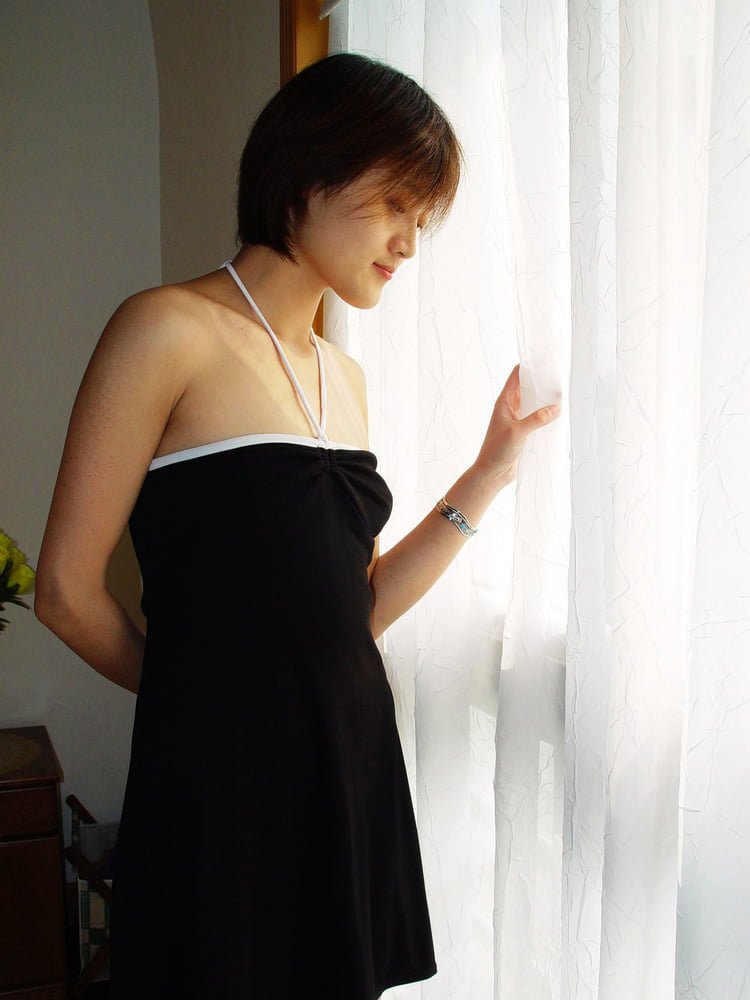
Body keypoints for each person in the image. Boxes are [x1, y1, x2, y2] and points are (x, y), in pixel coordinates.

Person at [35, 52, 560, 998]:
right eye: (395, 203)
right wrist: (204, 701)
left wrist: (489, 473)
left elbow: (356, 611)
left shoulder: (340, 377)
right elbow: (66, 594)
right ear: (308, 171)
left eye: (422, 217)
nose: (408, 241)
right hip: (220, 788)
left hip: (349, 774)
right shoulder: (164, 329)